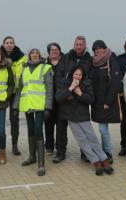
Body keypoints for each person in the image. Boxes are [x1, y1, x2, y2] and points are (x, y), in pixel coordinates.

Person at [55, 66, 114, 176]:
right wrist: (70, 88)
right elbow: (58, 98)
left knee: (92, 138)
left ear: (83, 76)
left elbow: (91, 100)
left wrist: (80, 93)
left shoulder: (86, 83)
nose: (77, 76)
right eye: (76, 74)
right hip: (71, 116)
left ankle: (104, 160)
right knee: (82, 141)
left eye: (80, 75)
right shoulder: (64, 82)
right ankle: (96, 162)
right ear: (72, 74)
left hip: (83, 116)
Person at [14, 48, 53, 176]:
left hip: (40, 105)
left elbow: (49, 89)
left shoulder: (45, 68)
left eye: (37, 54)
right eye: (32, 54)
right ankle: (32, 157)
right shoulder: (24, 69)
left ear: (39, 56)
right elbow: (20, 89)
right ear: (29, 56)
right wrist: (15, 107)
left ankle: (41, 164)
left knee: (38, 131)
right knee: (30, 130)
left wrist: (48, 107)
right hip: (27, 104)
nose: (35, 55)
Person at [54, 35, 93, 163]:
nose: (79, 47)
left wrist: (80, 92)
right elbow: (59, 75)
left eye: (81, 44)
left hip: (80, 100)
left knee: (83, 129)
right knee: (61, 128)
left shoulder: (89, 59)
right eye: (77, 44)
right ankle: (60, 152)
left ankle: (85, 153)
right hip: (67, 97)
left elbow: (90, 78)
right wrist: (67, 90)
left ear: (85, 46)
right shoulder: (66, 57)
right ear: (74, 45)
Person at [91, 40, 121, 163]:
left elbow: (115, 82)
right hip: (97, 102)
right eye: (95, 49)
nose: (98, 50)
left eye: (100, 48)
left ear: (105, 48)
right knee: (101, 128)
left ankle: (108, 152)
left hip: (107, 102)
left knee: (103, 129)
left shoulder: (111, 60)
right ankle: (104, 151)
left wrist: (108, 102)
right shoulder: (94, 62)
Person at [0, 36, 28, 156]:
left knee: (14, 119)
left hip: (16, 92)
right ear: (3, 44)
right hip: (1, 91)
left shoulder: (22, 57)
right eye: (7, 43)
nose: (9, 45)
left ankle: (15, 146)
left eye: (11, 43)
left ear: (14, 44)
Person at [44, 42, 63, 155]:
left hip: (61, 99)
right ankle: (49, 146)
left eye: (56, 49)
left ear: (59, 51)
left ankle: (60, 147)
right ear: (49, 52)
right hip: (48, 99)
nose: (54, 51)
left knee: (61, 125)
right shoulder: (45, 64)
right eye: (52, 50)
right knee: (48, 124)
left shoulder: (64, 62)